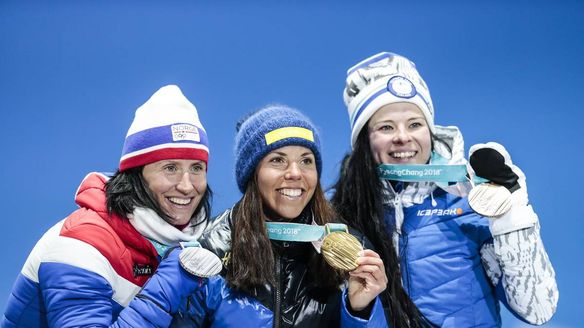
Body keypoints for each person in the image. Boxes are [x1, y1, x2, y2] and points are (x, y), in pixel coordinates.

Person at [332, 52, 558, 327]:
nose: (403, 136)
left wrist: (512, 216)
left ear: (430, 131)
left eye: (415, 124)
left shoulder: (472, 200)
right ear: (364, 140)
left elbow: (537, 310)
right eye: (386, 127)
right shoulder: (342, 213)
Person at [2, 85, 215, 327]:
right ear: (136, 175)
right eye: (170, 168)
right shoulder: (81, 243)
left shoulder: (186, 240)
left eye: (197, 168)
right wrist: (170, 283)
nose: (187, 186)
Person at [182, 105, 388, 327]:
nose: (295, 173)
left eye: (306, 160)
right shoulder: (210, 251)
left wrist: (360, 310)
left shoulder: (354, 251)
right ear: (253, 174)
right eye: (277, 160)